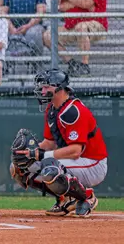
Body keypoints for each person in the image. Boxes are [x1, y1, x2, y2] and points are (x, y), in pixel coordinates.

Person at [11, 68, 108, 218]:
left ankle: (87, 197)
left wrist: (42, 155)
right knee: (20, 167)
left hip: (93, 163)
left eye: (46, 87)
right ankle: (65, 199)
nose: (42, 91)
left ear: (59, 88)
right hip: (74, 161)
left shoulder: (73, 111)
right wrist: (29, 153)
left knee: (50, 168)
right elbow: (49, 143)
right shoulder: (52, 109)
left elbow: (76, 150)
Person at [43, 0, 107, 76]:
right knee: (47, 35)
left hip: (95, 25)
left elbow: (87, 3)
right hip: (72, 25)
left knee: (81, 27)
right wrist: (81, 2)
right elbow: (63, 7)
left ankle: (84, 65)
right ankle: (72, 63)